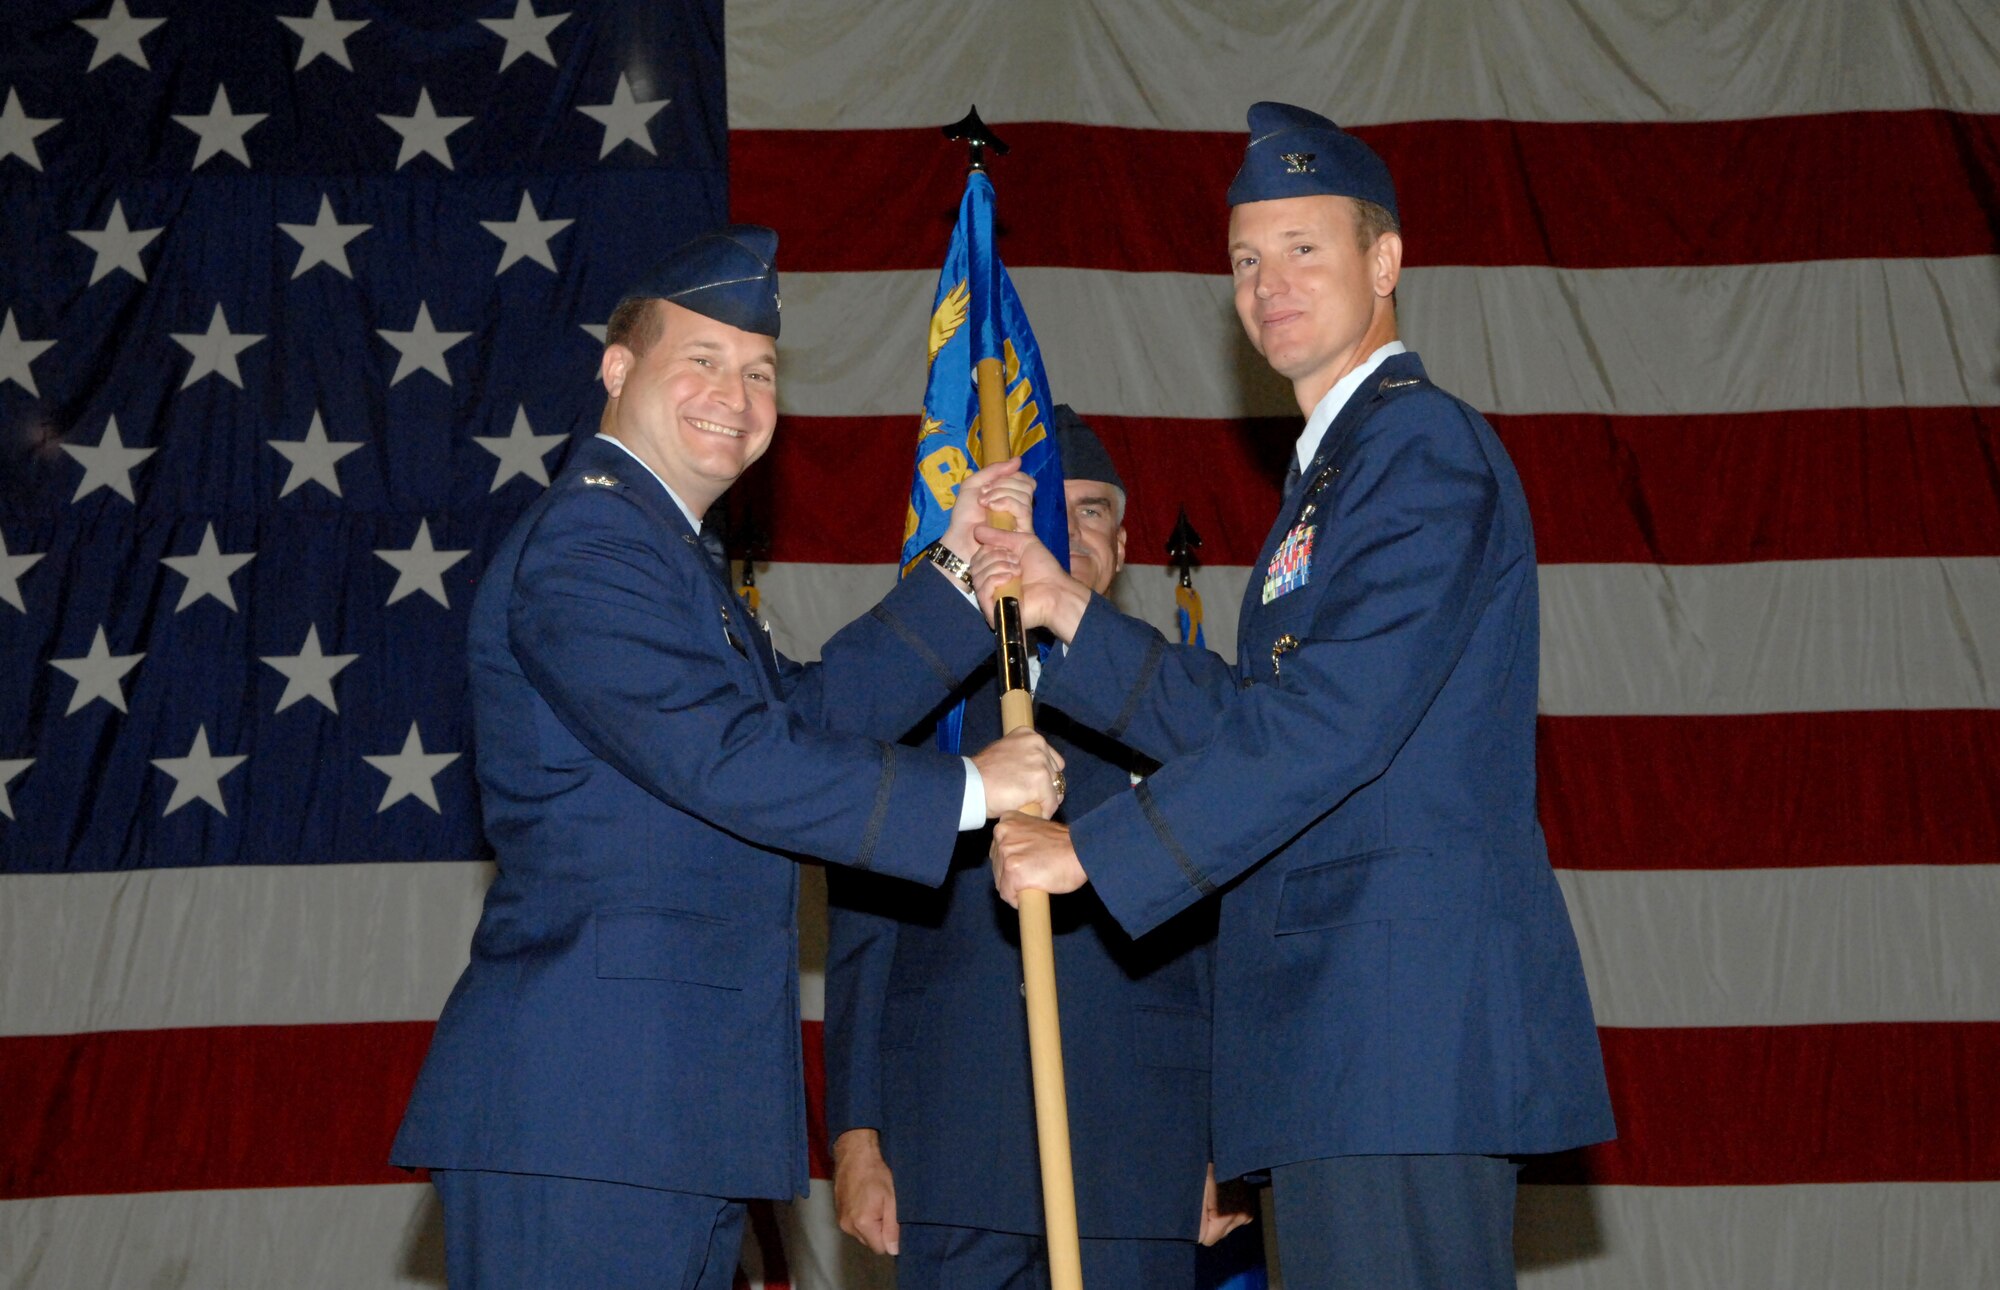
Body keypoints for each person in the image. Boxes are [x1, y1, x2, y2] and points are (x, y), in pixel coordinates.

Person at [970, 105, 1616, 1289]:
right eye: (1244, 258)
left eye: (1302, 249)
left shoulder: (1417, 449)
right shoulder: (1338, 469)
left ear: (1384, 262)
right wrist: (1069, 616)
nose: (1268, 283)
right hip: (1335, 1051)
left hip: (1396, 1038)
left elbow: (1334, 725)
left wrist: (1097, 852)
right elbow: (1252, 721)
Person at [390, 225, 1066, 1289]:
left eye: (758, 373)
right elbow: (726, 756)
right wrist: (973, 789)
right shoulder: (591, 542)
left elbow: (796, 712)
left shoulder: (665, 554)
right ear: (616, 371)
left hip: (662, 1118)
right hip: (593, 1118)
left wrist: (953, 568)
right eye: (698, 359)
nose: (735, 394)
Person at [823, 407, 1242, 1288]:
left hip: (1138, 1149)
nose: (1069, 529)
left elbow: (1224, 931)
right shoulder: (929, 703)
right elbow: (867, 922)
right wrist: (858, 1133)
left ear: (1123, 547)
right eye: (1050, 509)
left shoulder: (1177, 705)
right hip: (950, 1144)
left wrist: (1225, 1134)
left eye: (1092, 511)